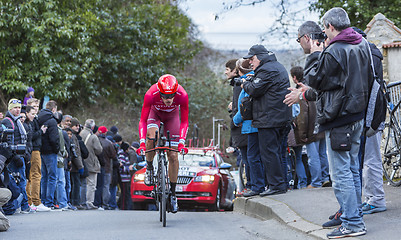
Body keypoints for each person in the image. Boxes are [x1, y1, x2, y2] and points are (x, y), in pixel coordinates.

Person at [284, 8, 371, 238]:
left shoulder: (334, 51)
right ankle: (353, 216)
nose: (323, 32)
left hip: (339, 119)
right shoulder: (361, 44)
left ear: (331, 27)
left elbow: (313, 79)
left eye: (325, 28)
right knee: (352, 170)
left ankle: (352, 224)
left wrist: (314, 54)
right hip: (357, 116)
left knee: (341, 173)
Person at [242, 45, 292, 196]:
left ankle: (276, 186)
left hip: (270, 119)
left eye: (252, 59)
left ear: (261, 56)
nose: (251, 62)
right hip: (279, 117)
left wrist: (245, 83)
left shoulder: (266, 70)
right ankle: (279, 184)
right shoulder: (275, 66)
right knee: (276, 152)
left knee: (269, 153)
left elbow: (254, 90)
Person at [137, 74, 189, 213]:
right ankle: (149, 168)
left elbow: (184, 121)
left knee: (173, 156)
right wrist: (142, 143)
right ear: (159, 92)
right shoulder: (150, 94)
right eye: (164, 96)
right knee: (152, 136)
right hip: (154, 114)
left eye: (171, 96)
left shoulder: (182, 95)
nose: (168, 99)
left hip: (172, 117)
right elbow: (142, 120)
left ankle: (173, 194)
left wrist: (181, 143)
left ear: (175, 92)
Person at [290, 65, 330, 189]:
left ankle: (316, 182)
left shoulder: (300, 91)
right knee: (322, 153)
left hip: (311, 127)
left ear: (295, 78)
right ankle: (325, 178)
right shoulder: (313, 86)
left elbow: (303, 114)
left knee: (313, 156)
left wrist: (302, 132)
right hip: (321, 123)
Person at [232, 58, 266, 197]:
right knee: (261, 156)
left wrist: (235, 120)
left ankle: (255, 185)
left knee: (251, 157)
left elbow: (243, 105)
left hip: (250, 125)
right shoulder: (259, 79)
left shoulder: (246, 84)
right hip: (261, 123)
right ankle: (261, 184)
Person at [1, 99, 32, 213]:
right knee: (18, 182)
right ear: (9, 109)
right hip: (13, 158)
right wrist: (16, 157)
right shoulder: (7, 121)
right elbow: (7, 144)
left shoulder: (18, 121)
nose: (18, 110)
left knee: (22, 181)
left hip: (21, 155)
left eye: (19, 107)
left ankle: (23, 205)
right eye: (15, 108)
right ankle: (23, 206)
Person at [225, 59, 250, 194]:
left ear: (235, 71)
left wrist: (234, 120)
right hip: (243, 128)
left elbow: (240, 108)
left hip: (242, 128)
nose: (225, 72)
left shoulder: (238, 85)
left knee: (247, 159)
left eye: (227, 70)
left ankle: (248, 186)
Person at [38, 100, 60, 209]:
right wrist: (57, 149)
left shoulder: (39, 118)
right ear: (54, 109)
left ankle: (43, 200)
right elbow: (54, 138)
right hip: (51, 152)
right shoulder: (52, 121)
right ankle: (49, 201)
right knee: (52, 177)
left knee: (44, 177)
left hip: (41, 151)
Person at [80, 119, 103, 210]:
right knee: (91, 184)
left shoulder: (80, 133)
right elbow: (99, 150)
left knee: (82, 184)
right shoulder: (93, 137)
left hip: (80, 161)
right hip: (91, 162)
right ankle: (89, 202)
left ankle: (81, 201)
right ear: (93, 127)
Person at [96, 126, 117, 210]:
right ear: (105, 133)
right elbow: (113, 155)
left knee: (97, 185)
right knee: (105, 186)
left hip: (96, 166)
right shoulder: (108, 143)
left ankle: (97, 202)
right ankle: (105, 203)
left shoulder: (95, 140)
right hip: (107, 167)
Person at [118, 142, 132, 210]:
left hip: (126, 177)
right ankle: (123, 207)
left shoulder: (125, 155)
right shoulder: (122, 155)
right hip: (123, 177)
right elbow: (121, 166)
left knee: (126, 193)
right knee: (124, 193)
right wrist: (128, 168)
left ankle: (125, 206)